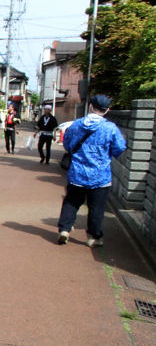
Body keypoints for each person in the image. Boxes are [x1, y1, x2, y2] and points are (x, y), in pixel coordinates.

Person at [57, 95, 126, 246]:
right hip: (100, 176)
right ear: (107, 110)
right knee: (96, 208)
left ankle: (64, 230)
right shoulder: (110, 128)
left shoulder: (76, 125)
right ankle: (93, 237)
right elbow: (119, 148)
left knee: (71, 202)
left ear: (90, 106)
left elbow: (67, 145)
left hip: (77, 173)